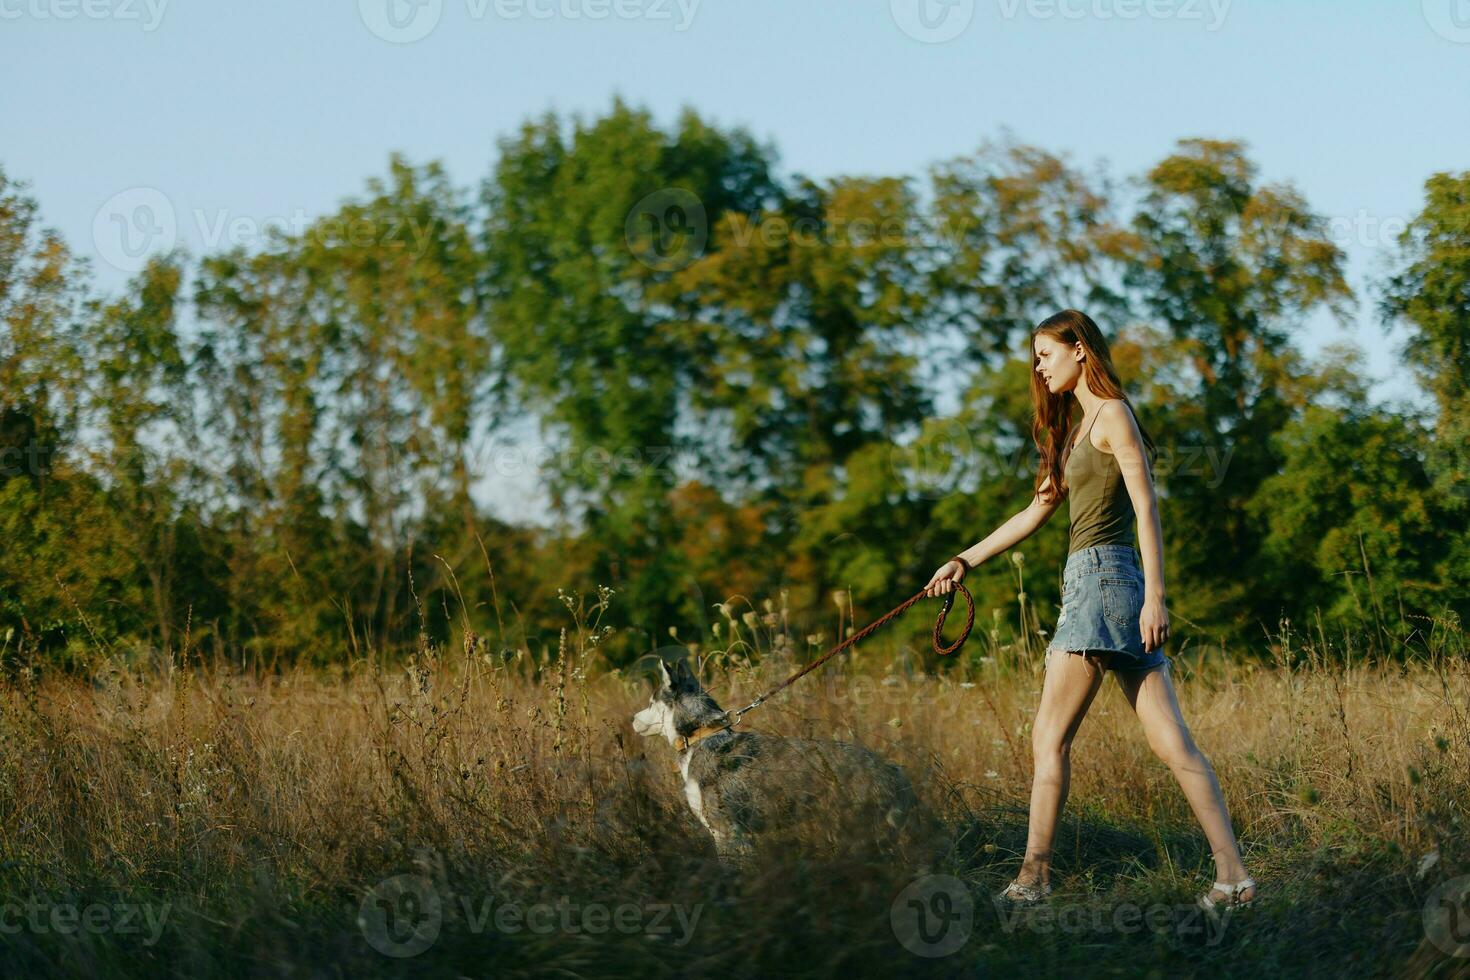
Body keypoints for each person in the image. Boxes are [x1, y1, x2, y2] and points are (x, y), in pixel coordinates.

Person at [922, 309, 1256, 917]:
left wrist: (1157, 595)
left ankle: (1033, 880)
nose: (1038, 367)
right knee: (1172, 742)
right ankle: (1233, 878)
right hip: (1110, 585)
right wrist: (962, 560)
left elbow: (1146, 506)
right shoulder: (1078, 430)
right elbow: (1035, 510)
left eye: (1045, 354)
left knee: (1048, 739)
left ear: (1079, 349)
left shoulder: (1113, 415)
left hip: (1104, 583)